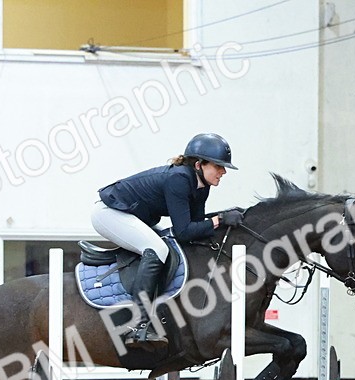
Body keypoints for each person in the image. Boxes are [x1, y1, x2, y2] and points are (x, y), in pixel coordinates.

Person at [92, 133, 244, 348]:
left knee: (168, 246)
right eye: (218, 166)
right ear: (199, 164)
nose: (224, 171)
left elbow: (196, 227)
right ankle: (138, 325)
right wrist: (219, 220)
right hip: (109, 213)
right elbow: (184, 231)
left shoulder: (202, 186)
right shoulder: (179, 179)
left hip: (132, 216)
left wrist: (222, 219)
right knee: (157, 249)